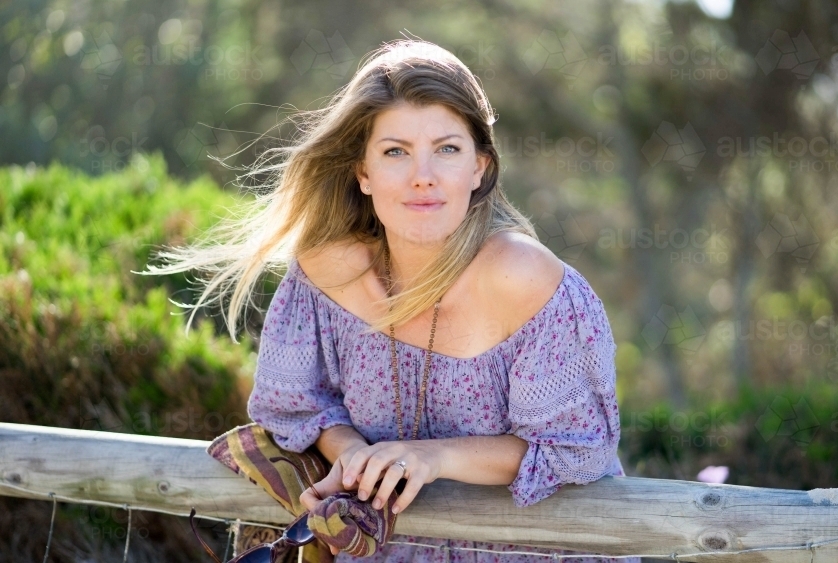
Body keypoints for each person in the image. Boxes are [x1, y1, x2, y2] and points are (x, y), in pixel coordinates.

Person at [146, 38, 638, 563]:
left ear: (479, 168)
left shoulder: (522, 276)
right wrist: (354, 454)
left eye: (447, 149)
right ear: (364, 172)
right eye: (395, 152)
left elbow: (575, 449)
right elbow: (298, 405)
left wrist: (434, 457)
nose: (422, 175)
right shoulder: (328, 273)